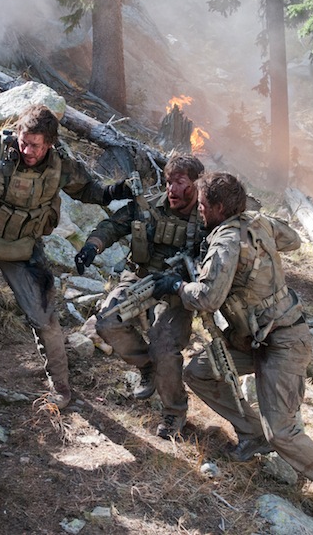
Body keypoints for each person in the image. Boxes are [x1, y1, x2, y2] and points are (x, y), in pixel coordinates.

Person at [150, 172, 313, 526]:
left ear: (220, 208)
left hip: (283, 343)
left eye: (203, 205)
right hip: (252, 339)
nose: (199, 210)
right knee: (199, 372)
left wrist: (177, 286)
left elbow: (207, 298)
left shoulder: (225, 242)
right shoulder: (255, 222)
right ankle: (251, 434)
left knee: (281, 431)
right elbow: (292, 239)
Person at [0, 104, 132, 408]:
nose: (27, 150)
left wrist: (115, 192)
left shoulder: (61, 165)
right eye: (23, 142)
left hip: (23, 248)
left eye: (35, 145)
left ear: (50, 142)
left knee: (44, 317)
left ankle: (61, 387)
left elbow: (89, 190)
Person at [75, 153, 205, 438]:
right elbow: (112, 226)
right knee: (106, 322)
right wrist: (92, 246)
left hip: (176, 291)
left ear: (197, 185)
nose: (172, 189)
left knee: (165, 348)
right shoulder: (149, 206)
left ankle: (174, 412)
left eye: (180, 183)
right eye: (169, 182)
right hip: (138, 277)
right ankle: (146, 366)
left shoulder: (207, 218)